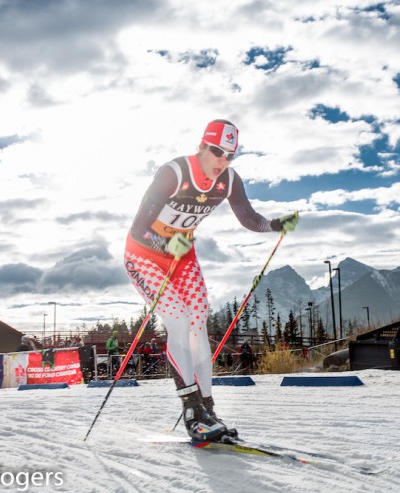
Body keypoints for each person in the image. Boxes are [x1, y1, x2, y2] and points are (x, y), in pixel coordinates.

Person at [124, 119, 298, 442]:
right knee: (177, 317)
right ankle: (191, 411)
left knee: (198, 322)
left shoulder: (229, 181)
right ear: (201, 146)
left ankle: (207, 409)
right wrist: (166, 245)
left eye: (230, 156)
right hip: (144, 254)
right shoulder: (173, 174)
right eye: (217, 152)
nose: (222, 161)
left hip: (182, 257)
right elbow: (138, 229)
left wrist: (275, 225)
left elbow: (248, 217)